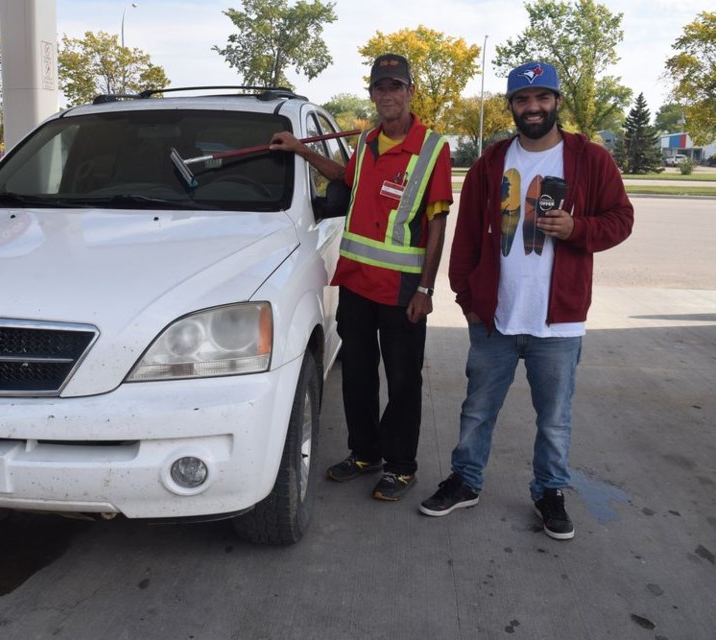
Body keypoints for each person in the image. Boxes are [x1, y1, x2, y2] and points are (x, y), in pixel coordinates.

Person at [418, 61, 634, 539]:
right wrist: (467, 299)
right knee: (477, 410)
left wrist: (579, 229)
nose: (532, 107)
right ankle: (466, 480)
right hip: (495, 317)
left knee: (555, 419)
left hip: (557, 323)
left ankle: (549, 492)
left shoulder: (590, 160)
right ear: (511, 106)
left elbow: (621, 219)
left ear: (556, 102)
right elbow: (467, 237)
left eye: (541, 98)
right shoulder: (491, 163)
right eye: (522, 100)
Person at [270, 53, 453, 501]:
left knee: (404, 380)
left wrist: (426, 289)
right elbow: (344, 178)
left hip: (402, 290)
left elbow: (436, 223)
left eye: (396, 87)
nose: (387, 95)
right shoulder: (368, 141)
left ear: (410, 92)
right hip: (355, 283)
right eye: (380, 87)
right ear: (372, 93)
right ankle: (365, 453)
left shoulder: (432, 149)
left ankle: (401, 465)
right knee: (356, 375)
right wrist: (301, 150)